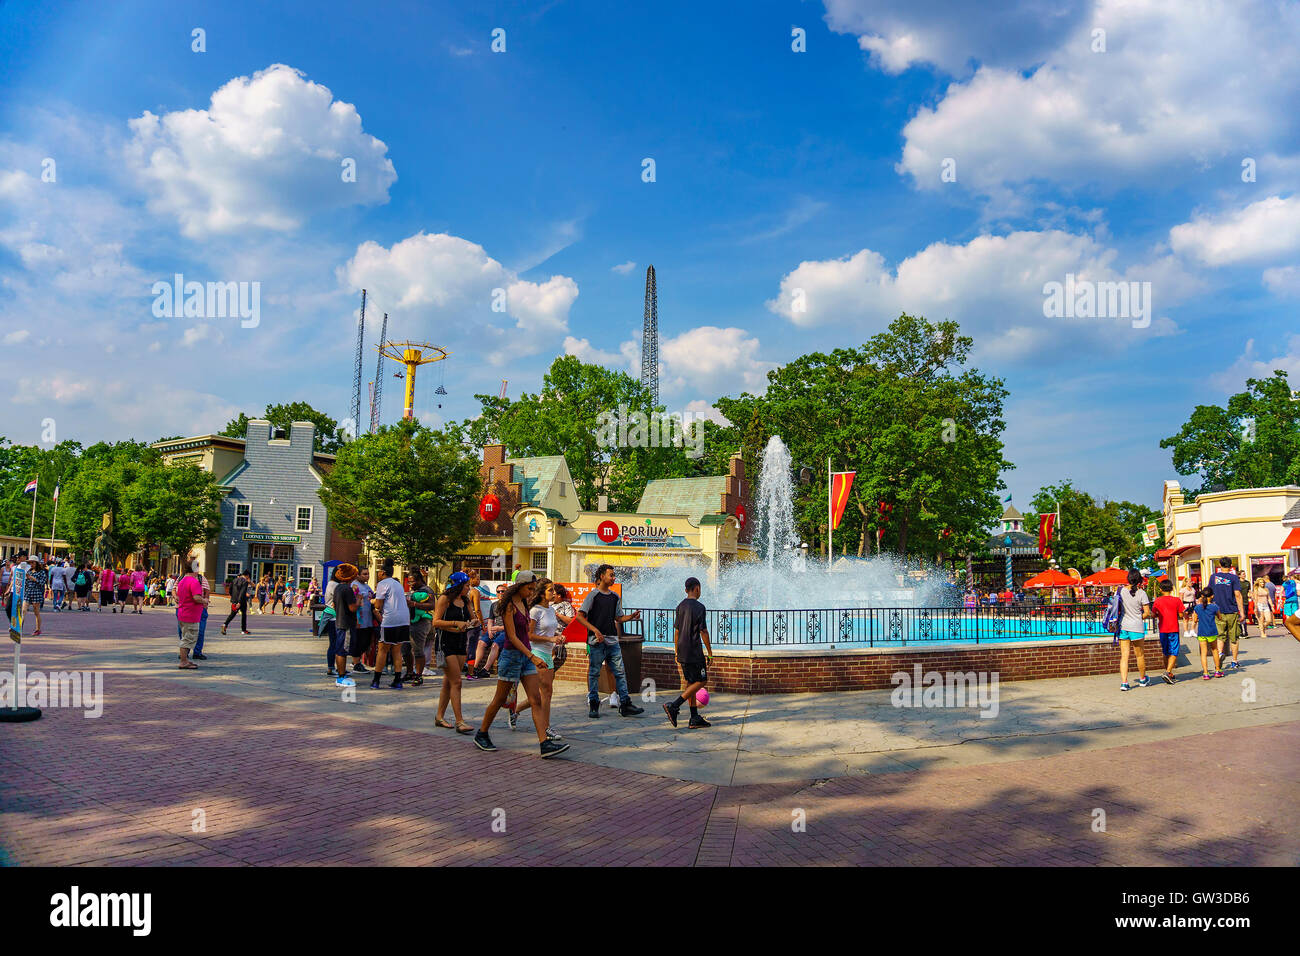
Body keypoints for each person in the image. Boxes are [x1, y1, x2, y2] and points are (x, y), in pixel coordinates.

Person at [473, 571, 569, 758]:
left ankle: (544, 744)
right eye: (529, 588)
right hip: (512, 656)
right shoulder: (508, 606)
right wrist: (532, 656)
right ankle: (482, 733)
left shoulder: (525, 603)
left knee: (536, 699)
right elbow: (512, 636)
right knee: (500, 699)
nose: (531, 592)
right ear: (519, 586)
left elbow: (527, 633)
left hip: (526, 656)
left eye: (534, 589)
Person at [574, 564, 645, 718]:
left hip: (612, 641)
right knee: (594, 673)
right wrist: (595, 630)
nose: (613, 578)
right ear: (601, 576)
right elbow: (580, 616)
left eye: (614, 575)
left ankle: (625, 704)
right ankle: (594, 704)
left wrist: (631, 616)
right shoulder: (593, 595)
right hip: (596, 642)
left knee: (620, 673)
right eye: (611, 575)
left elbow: (618, 618)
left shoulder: (615, 597)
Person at [512, 578, 568, 740]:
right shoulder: (535, 611)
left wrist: (558, 637)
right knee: (544, 693)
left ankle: (515, 711)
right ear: (542, 593)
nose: (554, 593)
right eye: (550, 590)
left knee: (545, 693)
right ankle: (546, 728)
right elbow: (529, 635)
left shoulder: (550, 610)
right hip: (536, 652)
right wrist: (551, 640)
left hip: (549, 653)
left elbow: (549, 632)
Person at [664, 576, 712, 728]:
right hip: (694, 650)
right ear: (697, 588)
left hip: (682, 650)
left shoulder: (680, 606)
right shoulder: (700, 607)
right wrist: (710, 652)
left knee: (691, 681)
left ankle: (694, 718)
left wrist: (676, 651)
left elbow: (677, 631)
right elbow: (703, 631)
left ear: (686, 590)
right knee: (702, 681)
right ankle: (674, 705)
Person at [433, 571, 475, 733]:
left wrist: (473, 622)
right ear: (458, 585)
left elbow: (471, 619)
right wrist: (455, 622)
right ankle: (460, 721)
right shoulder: (445, 599)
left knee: (448, 682)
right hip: (445, 643)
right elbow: (435, 622)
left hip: (460, 642)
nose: (468, 589)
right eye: (466, 586)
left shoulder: (465, 600)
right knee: (457, 682)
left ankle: (439, 717)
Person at [370, 559, 408, 690]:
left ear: (382, 572)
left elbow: (378, 605)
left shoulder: (382, 584)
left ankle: (376, 680)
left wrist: (373, 602)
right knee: (397, 650)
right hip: (404, 619)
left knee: (382, 650)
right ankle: (398, 680)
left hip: (390, 619)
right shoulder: (398, 584)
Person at [1115, 568, 1151, 691]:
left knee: (1124, 656)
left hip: (1123, 626)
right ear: (1140, 580)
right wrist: (1137, 617)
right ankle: (1142, 679)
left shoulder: (1120, 591)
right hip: (1136, 627)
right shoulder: (1142, 593)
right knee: (1139, 655)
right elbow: (1147, 613)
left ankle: (1124, 682)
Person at [1210, 558, 1246, 670]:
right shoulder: (1234, 578)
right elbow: (1238, 595)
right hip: (1232, 611)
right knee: (1234, 637)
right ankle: (1234, 661)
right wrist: (1242, 612)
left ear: (1220, 565)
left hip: (1218, 611)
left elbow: (1208, 593)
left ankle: (1220, 653)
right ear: (1231, 566)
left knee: (1220, 636)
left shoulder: (1214, 577)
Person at [329, 564, 361, 686]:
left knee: (340, 648)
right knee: (342, 650)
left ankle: (341, 674)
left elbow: (335, 605)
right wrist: (358, 599)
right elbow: (352, 608)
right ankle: (341, 677)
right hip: (346, 623)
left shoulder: (338, 588)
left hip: (340, 621)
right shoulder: (347, 590)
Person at [404, 568, 436, 686]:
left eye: (412, 581)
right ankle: (409, 672)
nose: (410, 584)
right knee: (405, 649)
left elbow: (432, 605)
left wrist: (414, 604)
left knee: (418, 650)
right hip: (409, 622)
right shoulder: (412, 591)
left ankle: (419, 675)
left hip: (421, 623)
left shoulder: (427, 590)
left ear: (420, 580)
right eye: (409, 582)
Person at [471, 583, 508, 679]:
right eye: (498, 591)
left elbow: (513, 625)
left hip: (506, 631)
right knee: (481, 643)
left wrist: (499, 628)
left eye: (503, 591)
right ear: (496, 594)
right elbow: (491, 620)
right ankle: (474, 668)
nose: (501, 593)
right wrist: (490, 630)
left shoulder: (510, 605)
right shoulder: (494, 605)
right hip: (495, 629)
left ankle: (485, 669)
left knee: (495, 645)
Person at [1151, 577, 1184, 685]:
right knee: (1174, 651)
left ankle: (1168, 673)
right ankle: (1168, 671)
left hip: (1163, 629)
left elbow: (1153, 614)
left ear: (1160, 589)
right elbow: (1180, 614)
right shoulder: (1177, 600)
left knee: (1165, 652)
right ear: (1171, 588)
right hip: (1173, 628)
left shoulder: (1157, 601)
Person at [175, 560, 208, 669]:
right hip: (190, 615)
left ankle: (185, 660)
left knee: (186, 636)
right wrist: (205, 601)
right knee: (188, 638)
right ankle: (183, 661)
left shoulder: (182, 580)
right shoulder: (194, 582)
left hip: (183, 613)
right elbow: (196, 598)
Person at [1188, 587, 1224, 679]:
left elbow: (1195, 620)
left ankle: (1205, 673)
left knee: (1203, 653)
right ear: (1212, 596)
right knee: (1215, 650)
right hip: (1212, 631)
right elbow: (1220, 617)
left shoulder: (1197, 607)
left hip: (1202, 632)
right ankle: (1217, 670)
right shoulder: (1215, 607)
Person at [349, 575, 374, 676]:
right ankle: (356, 663)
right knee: (359, 641)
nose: (367, 576)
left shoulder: (367, 586)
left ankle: (356, 660)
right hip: (360, 618)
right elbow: (354, 601)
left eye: (368, 574)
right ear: (358, 575)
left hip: (368, 618)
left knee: (366, 641)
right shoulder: (354, 585)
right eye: (364, 574)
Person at [23, 558, 47, 636]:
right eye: (30, 563)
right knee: (23, 610)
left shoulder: (41, 572)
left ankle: (38, 629)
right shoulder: (29, 571)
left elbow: (42, 582)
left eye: (32, 562)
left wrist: (34, 579)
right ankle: (19, 628)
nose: (31, 564)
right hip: (28, 591)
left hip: (36, 592)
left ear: (36, 563)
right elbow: (26, 582)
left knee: (36, 612)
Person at [222, 570, 251, 635]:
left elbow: (230, 590)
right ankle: (243, 630)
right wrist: (239, 602)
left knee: (232, 614)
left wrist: (233, 598)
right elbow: (242, 592)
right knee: (244, 615)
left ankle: (225, 624)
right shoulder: (245, 582)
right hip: (241, 601)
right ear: (247, 575)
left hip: (234, 600)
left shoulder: (235, 580)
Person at [1279, 569, 1300, 643]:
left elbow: (1280, 592)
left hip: (1288, 600)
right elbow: (1298, 582)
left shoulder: (1284, 584)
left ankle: (1291, 629)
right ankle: (1295, 627)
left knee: (1288, 616)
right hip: (1294, 599)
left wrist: (1280, 600)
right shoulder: (1293, 582)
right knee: (1294, 613)